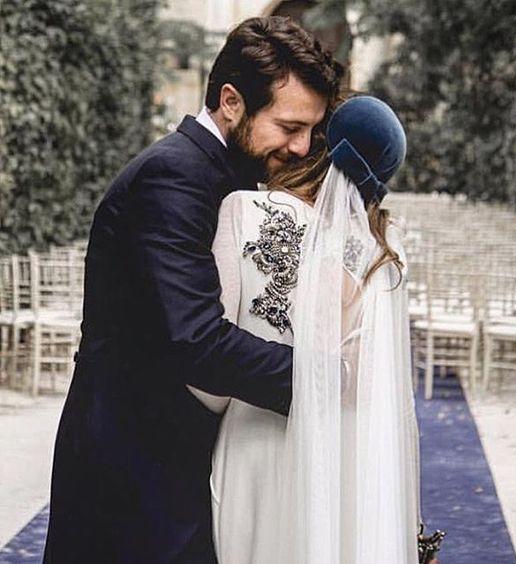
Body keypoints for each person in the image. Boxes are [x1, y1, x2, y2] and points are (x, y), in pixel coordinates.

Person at [43, 16, 342, 564]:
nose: (302, 147)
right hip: (132, 472)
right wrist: (326, 380)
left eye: (310, 131)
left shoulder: (230, 174)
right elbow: (197, 341)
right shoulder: (174, 176)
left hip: (174, 461)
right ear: (231, 102)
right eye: (289, 126)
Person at [202, 96, 429, 563]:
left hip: (256, 451)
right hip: (341, 464)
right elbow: (368, 388)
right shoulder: (381, 252)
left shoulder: (243, 210)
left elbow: (210, 386)